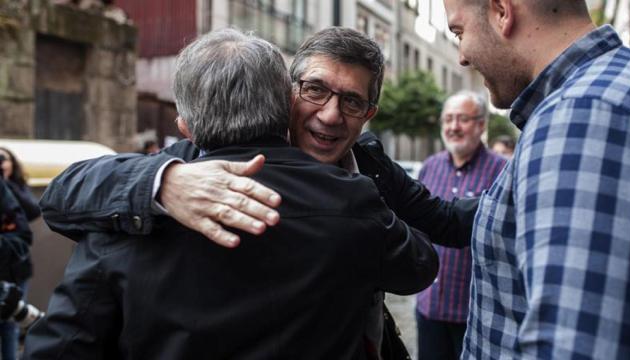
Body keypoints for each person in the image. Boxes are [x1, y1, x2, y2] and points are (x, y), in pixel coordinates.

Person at [38, 27, 476, 358]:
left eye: (352, 102)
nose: (330, 115)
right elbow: (61, 195)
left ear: (368, 114)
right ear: (286, 93)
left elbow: (441, 228)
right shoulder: (184, 161)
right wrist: (164, 183)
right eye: (315, 90)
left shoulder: (372, 172)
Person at [443, 0, 630, 358]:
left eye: (459, 32)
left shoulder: (578, 114)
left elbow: (573, 347)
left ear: (502, 11)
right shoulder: (610, 89)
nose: (462, 57)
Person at [415, 91, 506, 360]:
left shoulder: (502, 171)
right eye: (448, 119)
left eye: (462, 119)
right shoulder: (429, 167)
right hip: (429, 308)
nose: (453, 127)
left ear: (481, 124)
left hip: (476, 314)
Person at [0, 147, 38, 360]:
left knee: (10, 326)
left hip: (15, 268)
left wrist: (5, 182)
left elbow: (31, 213)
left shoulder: (13, 186)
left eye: (4, 158)